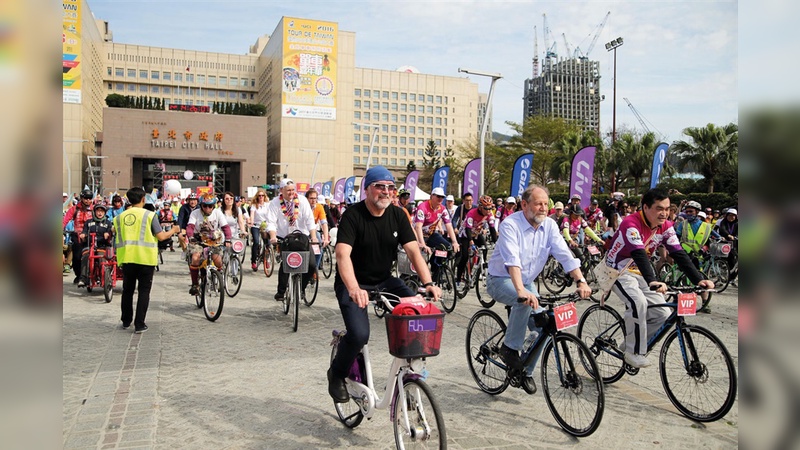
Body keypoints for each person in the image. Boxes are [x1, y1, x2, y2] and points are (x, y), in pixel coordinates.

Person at [327, 166, 441, 403]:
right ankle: (336, 374)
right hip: (353, 283)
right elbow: (342, 255)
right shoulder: (353, 215)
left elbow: (413, 252)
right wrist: (354, 288)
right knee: (359, 335)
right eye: (380, 186)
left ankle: (410, 377)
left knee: (417, 315)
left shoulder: (398, 215)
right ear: (366, 189)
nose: (386, 192)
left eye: (391, 187)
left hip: (385, 281)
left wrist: (428, 282)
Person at [487, 184, 591, 394]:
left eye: (546, 204)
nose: (543, 208)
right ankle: (510, 348)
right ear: (524, 205)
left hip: (527, 282)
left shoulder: (550, 226)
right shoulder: (510, 225)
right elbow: (512, 261)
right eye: (538, 204)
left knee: (546, 325)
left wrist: (581, 280)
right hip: (500, 280)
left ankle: (525, 371)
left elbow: (564, 254)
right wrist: (520, 291)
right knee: (524, 302)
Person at [604, 188, 714, 368]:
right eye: (659, 208)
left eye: (667, 208)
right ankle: (633, 352)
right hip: (617, 269)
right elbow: (639, 253)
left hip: (639, 271)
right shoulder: (630, 223)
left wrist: (698, 279)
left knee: (663, 313)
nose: (664, 213)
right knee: (637, 301)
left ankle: (629, 345)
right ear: (645, 207)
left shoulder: (667, 226)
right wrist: (653, 280)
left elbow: (678, 253)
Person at [113, 187, 180, 333]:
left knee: (127, 290)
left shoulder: (119, 217)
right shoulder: (150, 215)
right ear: (143, 199)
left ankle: (125, 321)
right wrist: (174, 231)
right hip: (145, 259)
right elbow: (161, 236)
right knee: (143, 292)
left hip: (127, 258)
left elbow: (114, 232)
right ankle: (139, 324)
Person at [266, 179, 317, 301]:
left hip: (302, 237)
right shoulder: (275, 203)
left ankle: (302, 288)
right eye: (288, 190)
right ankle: (281, 292)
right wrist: (273, 236)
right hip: (285, 238)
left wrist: (313, 236)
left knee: (311, 265)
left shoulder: (302, 200)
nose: (291, 192)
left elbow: (310, 220)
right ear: (281, 190)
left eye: (293, 190)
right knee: (287, 264)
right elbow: (271, 222)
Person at [186, 194, 232, 295]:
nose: (207, 208)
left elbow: (225, 227)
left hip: (214, 239)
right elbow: (190, 227)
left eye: (210, 206)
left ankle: (220, 279)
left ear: (213, 206)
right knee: (195, 258)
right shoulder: (195, 213)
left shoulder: (218, 213)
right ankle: (195, 285)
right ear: (201, 205)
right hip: (198, 239)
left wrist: (228, 239)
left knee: (218, 261)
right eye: (205, 206)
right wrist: (190, 237)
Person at [412, 186, 460, 277]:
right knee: (419, 257)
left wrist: (454, 242)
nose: (440, 199)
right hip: (417, 235)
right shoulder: (423, 207)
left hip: (431, 234)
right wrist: (422, 244)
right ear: (432, 196)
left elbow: (449, 225)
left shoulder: (442, 209)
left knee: (447, 247)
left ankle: (435, 268)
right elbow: (418, 227)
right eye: (438, 196)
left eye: (442, 197)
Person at [456, 195, 494, 284]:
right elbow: (468, 229)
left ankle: (479, 269)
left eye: (490, 208)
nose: (488, 210)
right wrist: (471, 242)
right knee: (465, 256)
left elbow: (492, 229)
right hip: (465, 235)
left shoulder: (489, 214)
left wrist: (497, 243)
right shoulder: (471, 213)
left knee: (485, 248)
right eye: (486, 208)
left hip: (476, 234)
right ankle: (458, 278)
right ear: (480, 207)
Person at [77, 203, 114, 287]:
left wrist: (107, 234)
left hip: (102, 247)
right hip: (89, 246)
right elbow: (84, 231)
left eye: (102, 211)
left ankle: (102, 277)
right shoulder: (88, 222)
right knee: (85, 257)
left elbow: (110, 232)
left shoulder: (108, 223)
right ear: (94, 212)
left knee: (102, 259)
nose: (100, 213)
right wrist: (83, 235)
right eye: (98, 211)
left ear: (105, 213)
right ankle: (83, 278)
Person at [63, 189, 95, 284]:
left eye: (90, 198)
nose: (87, 200)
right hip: (78, 237)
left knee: (93, 256)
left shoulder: (94, 209)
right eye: (85, 198)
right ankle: (79, 275)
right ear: (81, 198)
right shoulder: (74, 209)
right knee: (77, 257)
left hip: (92, 236)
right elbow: (65, 220)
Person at [306, 188, 330, 271]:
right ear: (307, 199)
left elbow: (324, 223)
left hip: (313, 230)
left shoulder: (319, 207)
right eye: (311, 198)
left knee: (319, 248)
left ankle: (314, 270)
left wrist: (326, 239)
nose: (313, 200)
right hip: (302, 230)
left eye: (315, 198)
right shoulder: (303, 206)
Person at [249, 188, 270, 271]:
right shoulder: (254, 206)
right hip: (256, 226)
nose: (261, 197)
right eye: (259, 196)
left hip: (265, 226)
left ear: (264, 196)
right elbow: (252, 215)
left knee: (268, 244)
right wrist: (251, 222)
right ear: (257, 197)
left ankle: (267, 259)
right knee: (256, 242)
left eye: (262, 195)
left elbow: (271, 215)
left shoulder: (267, 205)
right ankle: (253, 261)